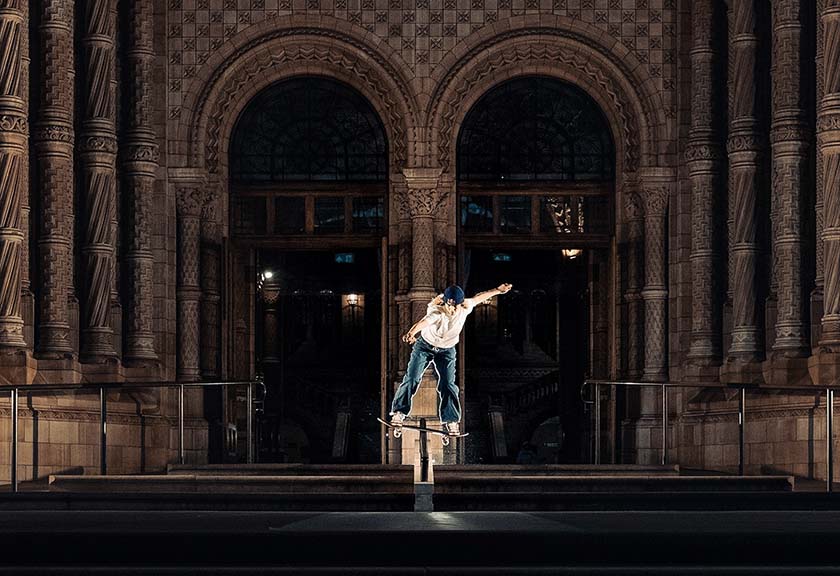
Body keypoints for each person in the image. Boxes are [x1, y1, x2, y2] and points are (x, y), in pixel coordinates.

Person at [389, 283, 513, 435]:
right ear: (445, 302)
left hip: (446, 351)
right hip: (425, 347)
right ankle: (399, 412)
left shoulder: (465, 306)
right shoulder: (436, 310)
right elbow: (423, 323)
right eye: (450, 306)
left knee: (448, 383)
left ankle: (451, 420)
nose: (453, 310)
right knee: (412, 378)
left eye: (456, 306)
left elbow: (479, 297)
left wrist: (498, 290)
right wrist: (411, 333)